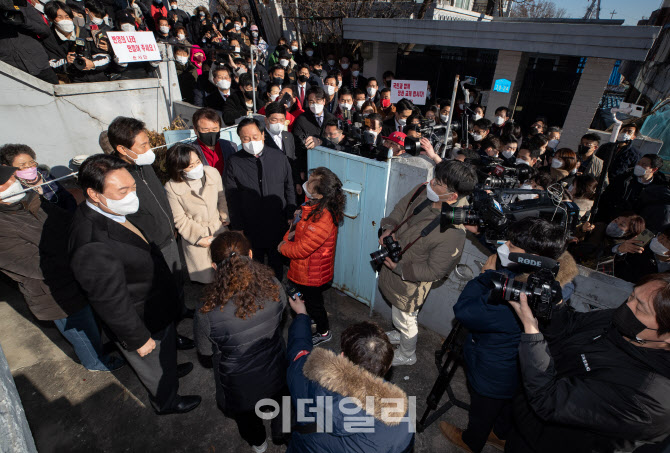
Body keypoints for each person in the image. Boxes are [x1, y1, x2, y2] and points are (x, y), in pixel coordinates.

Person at [69, 154, 200, 414]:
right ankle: (166, 401)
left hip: (156, 305)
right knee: (153, 366)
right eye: (122, 190)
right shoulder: (91, 244)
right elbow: (110, 302)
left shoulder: (113, 209)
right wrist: (138, 339)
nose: (132, 195)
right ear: (94, 194)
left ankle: (171, 371)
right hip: (141, 320)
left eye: (133, 187)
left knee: (165, 354)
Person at [442, 218, 578, 453]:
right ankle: (500, 434)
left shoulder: (516, 297)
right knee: (507, 406)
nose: (504, 246)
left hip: (494, 368)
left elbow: (465, 312)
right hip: (519, 367)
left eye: (512, 245)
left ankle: (472, 440)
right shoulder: (552, 281)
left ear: (532, 257)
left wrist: (484, 276)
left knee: (483, 407)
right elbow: (511, 255)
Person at [504, 273, 670, 453]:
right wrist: (556, 305)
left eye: (641, 308)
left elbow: (549, 400)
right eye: (632, 295)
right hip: (528, 424)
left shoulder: (649, 398)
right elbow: (571, 327)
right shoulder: (624, 321)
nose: (628, 305)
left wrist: (531, 332)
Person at [0, 166, 123, 372]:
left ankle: (99, 348)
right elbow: (35, 265)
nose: (15, 182)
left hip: (77, 277)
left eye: (13, 177)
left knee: (91, 323)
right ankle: (94, 362)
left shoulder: (30, 200)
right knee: (79, 330)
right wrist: (83, 255)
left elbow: (68, 220)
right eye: (7, 180)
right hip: (52, 291)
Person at [378, 161, 479, 366]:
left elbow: (435, 271)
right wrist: (389, 227)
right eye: (435, 177)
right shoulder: (424, 190)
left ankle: (407, 354)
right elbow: (400, 208)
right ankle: (399, 334)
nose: (431, 183)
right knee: (400, 317)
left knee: (406, 320)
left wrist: (398, 268)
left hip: (409, 283)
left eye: (438, 183)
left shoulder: (453, 232)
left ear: (452, 197)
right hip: (394, 268)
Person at [194, 231, 288, 451]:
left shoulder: (206, 311)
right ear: (252, 254)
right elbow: (281, 318)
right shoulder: (274, 285)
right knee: (280, 404)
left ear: (215, 267)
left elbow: (206, 352)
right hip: (276, 368)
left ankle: (259, 443)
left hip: (238, 385)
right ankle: (280, 432)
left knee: (247, 419)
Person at [107, 117, 194, 349]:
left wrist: (172, 225)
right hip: (151, 245)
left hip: (168, 235)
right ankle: (172, 335)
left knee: (177, 278)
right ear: (122, 149)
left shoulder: (144, 165)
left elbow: (159, 198)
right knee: (163, 290)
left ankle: (182, 309)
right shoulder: (118, 178)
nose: (149, 149)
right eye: (143, 145)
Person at [286, 296, 415, 452]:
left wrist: (301, 316)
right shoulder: (399, 418)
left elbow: (298, 353)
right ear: (386, 368)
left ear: (342, 357)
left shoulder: (308, 380)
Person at [279, 167, 344, 345]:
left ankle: (324, 332)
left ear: (320, 195)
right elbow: (299, 230)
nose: (306, 184)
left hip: (312, 274)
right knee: (309, 300)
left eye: (310, 183)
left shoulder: (324, 218)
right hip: (307, 270)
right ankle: (312, 317)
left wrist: (283, 247)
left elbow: (302, 249)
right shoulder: (315, 206)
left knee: (315, 304)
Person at [225, 118, 296, 279]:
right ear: (240, 139)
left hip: (277, 223)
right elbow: (232, 196)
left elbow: (289, 186)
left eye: (255, 137)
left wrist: (291, 213)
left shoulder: (279, 157)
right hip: (250, 226)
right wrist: (237, 226)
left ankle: (276, 294)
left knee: (276, 263)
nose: (251, 142)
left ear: (263, 135)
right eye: (246, 139)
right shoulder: (234, 162)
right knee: (253, 265)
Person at [164, 143, 228, 284]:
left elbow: (221, 196)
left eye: (197, 162)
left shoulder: (212, 173)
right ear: (179, 168)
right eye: (190, 166)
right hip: (196, 237)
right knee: (208, 280)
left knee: (227, 274)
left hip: (218, 229)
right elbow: (180, 219)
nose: (196, 167)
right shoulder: (172, 187)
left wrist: (224, 217)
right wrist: (199, 237)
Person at [0, 144, 77, 212]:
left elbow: (65, 196)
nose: (29, 167)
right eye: (22, 165)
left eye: (31, 162)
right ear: (7, 167)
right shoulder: (14, 187)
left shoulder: (45, 175)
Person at [596, 154, 667, 223]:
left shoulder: (660, 189)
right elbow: (606, 198)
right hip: (611, 219)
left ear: (654, 169)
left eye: (644, 165)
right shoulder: (623, 179)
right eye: (639, 163)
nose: (639, 166)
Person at [0, 1, 58, 84]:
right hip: (12, 71)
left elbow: (45, 31)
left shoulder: (21, 4)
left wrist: (23, 21)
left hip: (39, 65)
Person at [262, 102, 302, 194]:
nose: (278, 123)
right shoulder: (260, 138)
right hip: (270, 188)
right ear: (266, 120)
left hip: (289, 186)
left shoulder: (289, 136)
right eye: (274, 120)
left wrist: (297, 182)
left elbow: (293, 160)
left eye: (281, 120)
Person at [292, 87, 336, 161]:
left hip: (329, 159)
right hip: (309, 160)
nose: (315, 104)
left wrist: (321, 141)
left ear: (324, 101)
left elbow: (335, 142)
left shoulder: (332, 119)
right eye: (311, 102)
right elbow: (297, 146)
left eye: (318, 101)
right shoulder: (302, 120)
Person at [192, 107, 237, 175]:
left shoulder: (230, 147)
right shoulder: (190, 151)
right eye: (206, 130)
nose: (210, 133)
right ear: (195, 130)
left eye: (214, 129)